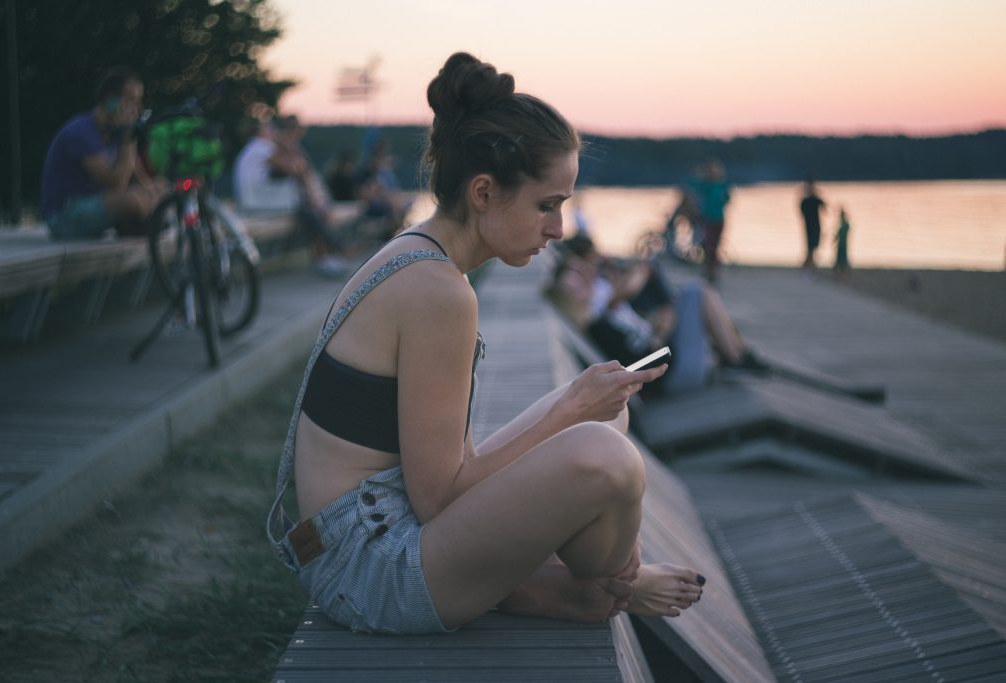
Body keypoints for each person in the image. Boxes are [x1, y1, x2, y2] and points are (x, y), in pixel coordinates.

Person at [267, 52, 706, 635]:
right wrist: (573, 413)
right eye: (546, 206)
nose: (558, 230)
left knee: (607, 416)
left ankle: (540, 587)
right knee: (607, 458)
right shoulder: (438, 291)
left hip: (373, 525)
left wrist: (579, 411)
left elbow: (446, 473)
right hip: (369, 569)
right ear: (483, 192)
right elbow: (440, 501)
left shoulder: (415, 252)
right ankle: (600, 584)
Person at [548, 233, 765, 396]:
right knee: (696, 292)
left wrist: (656, 325)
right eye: (575, 288)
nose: (584, 281)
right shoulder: (599, 327)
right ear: (571, 302)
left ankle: (735, 355)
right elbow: (637, 365)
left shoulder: (600, 320)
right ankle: (735, 358)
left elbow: (637, 345)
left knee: (691, 295)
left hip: (671, 362)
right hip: (674, 374)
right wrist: (662, 332)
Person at [40, 67, 166, 240]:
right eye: (131, 100)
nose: (138, 108)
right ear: (110, 100)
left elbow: (138, 178)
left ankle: (139, 224)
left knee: (160, 187)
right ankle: (140, 224)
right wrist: (128, 137)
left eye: (139, 101)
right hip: (64, 215)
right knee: (132, 201)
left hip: (96, 203)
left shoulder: (115, 132)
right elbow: (117, 185)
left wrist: (154, 192)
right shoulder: (81, 132)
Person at [233, 115, 348, 277]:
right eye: (268, 128)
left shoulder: (255, 147)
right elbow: (294, 168)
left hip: (255, 198)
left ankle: (328, 254)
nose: (272, 131)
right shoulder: (263, 147)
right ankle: (329, 253)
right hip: (258, 200)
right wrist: (289, 149)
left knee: (308, 209)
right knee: (307, 211)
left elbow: (297, 168)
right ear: (260, 132)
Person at [697, 159, 730, 283]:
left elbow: (727, 199)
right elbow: (696, 189)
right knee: (707, 244)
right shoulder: (706, 185)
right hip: (708, 219)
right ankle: (708, 269)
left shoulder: (722, 185)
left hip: (719, 218)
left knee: (714, 245)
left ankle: (713, 271)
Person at [799, 178, 826, 272]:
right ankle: (809, 264)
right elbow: (801, 211)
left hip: (814, 224)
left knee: (813, 244)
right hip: (810, 224)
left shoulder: (813, 199)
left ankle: (810, 264)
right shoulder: (807, 200)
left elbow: (824, 207)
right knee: (811, 244)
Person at [833, 206, 851, 279]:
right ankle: (841, 275)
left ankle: (843, 274)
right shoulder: (843, 224)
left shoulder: (845, 225)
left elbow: (840, 235)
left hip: (843, 245)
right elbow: (838, 235)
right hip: (841, 244)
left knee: (842, 260)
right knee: (841, 260)